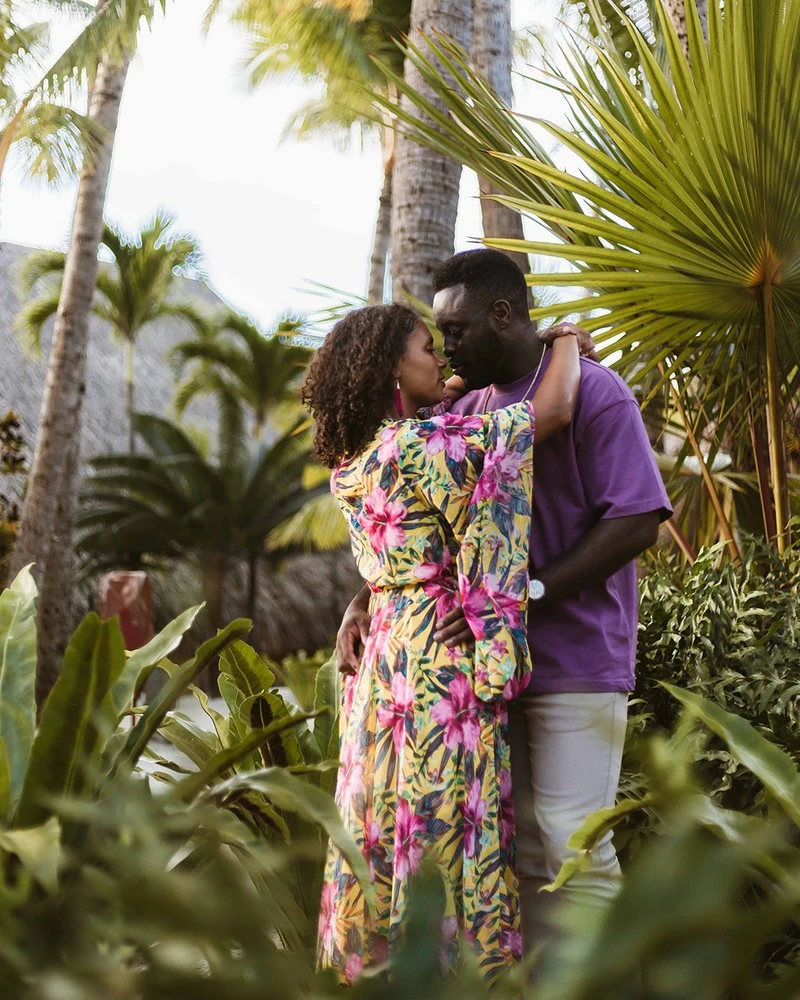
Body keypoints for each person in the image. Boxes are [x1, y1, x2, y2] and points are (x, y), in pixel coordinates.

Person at [336, 251, 672, 955]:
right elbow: (414, 534)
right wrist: (362, 602)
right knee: (513, 857)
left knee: (575, 850)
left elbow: (638, 519)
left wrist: (528, 590)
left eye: (454, 329)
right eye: (436, 336)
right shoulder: (459, 410)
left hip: (575, 657)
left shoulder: (597, 392)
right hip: (480, 671)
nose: (446, 345)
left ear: (502, 314)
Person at [302, 303, 592, 984]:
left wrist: (359, 601)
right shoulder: (419, 447)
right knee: (440, 829)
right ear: (389, 368)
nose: (441, 358)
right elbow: (551, 411)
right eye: (426, 347)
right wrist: (567, 342)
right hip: (437, 661)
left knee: (384, 820)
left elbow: (393, 552)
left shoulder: (357, 455)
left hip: (384, 660)